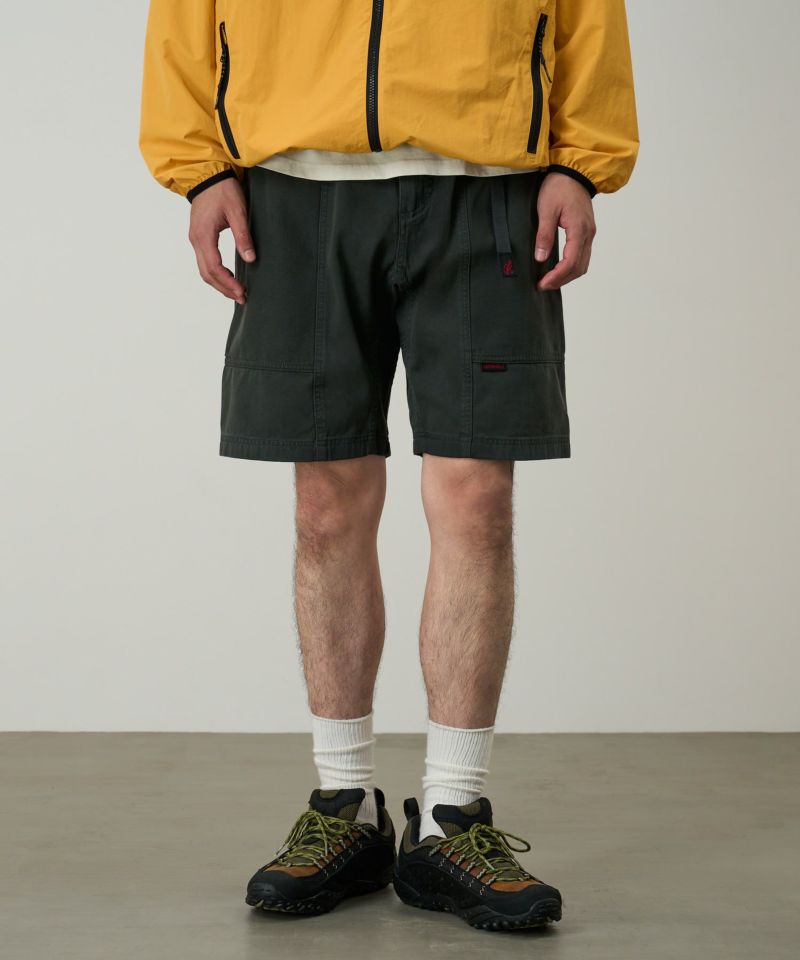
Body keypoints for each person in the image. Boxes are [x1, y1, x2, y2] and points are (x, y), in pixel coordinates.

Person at [140, 0, 638, 931]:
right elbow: (183, 17)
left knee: (477, 499)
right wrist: (198, 166)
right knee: (326, 503)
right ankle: (344, 806)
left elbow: (588, 16)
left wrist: (581, 159)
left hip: (487, 183)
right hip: (293, 188)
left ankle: (452, 814)